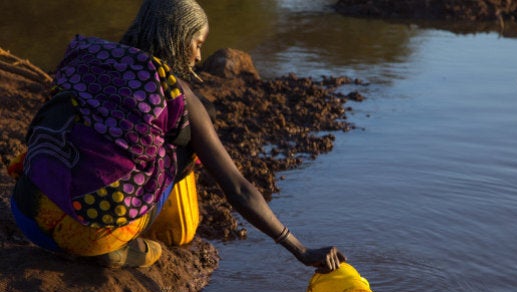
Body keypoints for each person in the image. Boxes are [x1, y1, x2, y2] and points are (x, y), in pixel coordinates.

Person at [9, 0, 345, 272]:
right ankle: (130, 246)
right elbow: (239, 189)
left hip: (27, 215)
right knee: (183, 139)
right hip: (89, 237)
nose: (199, 56)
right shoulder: (176, 92)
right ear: (176, 37)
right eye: (197, 44)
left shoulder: (91, 58)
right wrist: (300, 249)